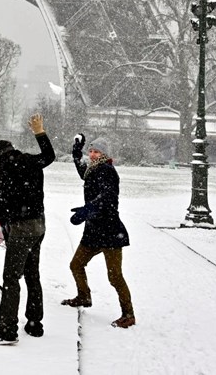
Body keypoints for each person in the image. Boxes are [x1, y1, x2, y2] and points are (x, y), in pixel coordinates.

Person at [0, 113, 55, 345]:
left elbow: (10, 200)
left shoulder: (4, 168)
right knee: (32, 275)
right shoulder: (27, 160)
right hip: (38, 225)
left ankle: (8, 332)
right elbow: (49, 157)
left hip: (21, 229)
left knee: (11, 278)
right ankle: (34, 323)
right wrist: (39, 132)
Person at [62, 133, 135, 329]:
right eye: (91, 151)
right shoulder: (94, 169)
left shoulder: (107, 170)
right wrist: (77, 152)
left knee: (115, 277)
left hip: (110, 232)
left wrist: (87, 210)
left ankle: (128, 314)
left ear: (105, 154)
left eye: (97, 152)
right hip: (94, 231)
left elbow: (107, 198)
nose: (92, 155)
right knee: (76, 264)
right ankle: (84, 296)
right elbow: (82, 172)